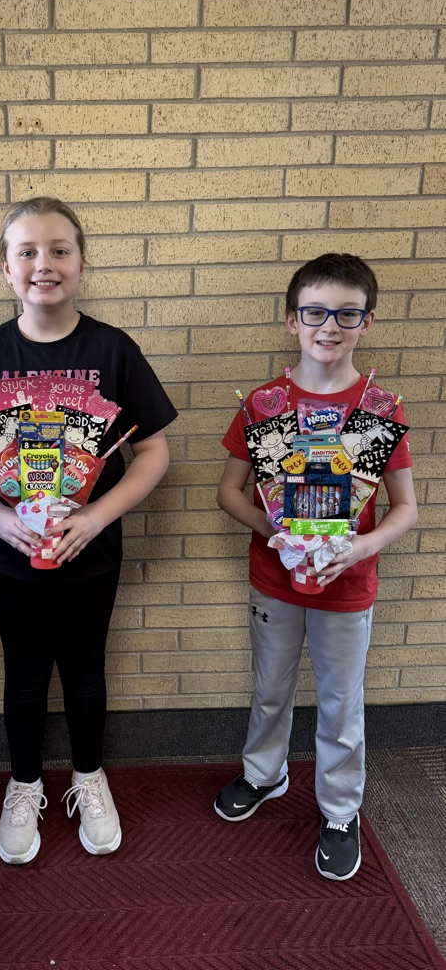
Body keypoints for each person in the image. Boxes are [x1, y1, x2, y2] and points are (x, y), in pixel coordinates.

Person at [0, 197, 177, 864]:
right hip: (11, 558)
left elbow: (154, 450)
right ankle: (24, 785)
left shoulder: (112, 349)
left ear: (82, 263)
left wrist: (96, 516)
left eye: (60, 250)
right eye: (28, 252)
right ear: (5, 268)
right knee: (25, 676)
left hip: (90, 556)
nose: (45, 264)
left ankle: (90, 778)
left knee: (87, 672)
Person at [213, 254, 417, 881]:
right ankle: (263, 774)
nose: (330, 326)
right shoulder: (264, 405)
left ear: (367, 321)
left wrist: (357, 547)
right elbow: (229, 493)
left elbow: (406, 508)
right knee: (271, 687)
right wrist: (277, 532)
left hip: (348, 586)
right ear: (291, 320)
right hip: (275, 579)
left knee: (340, 701)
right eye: (316, 313)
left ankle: (339, 809)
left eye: (347, 314)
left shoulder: (379, 410)